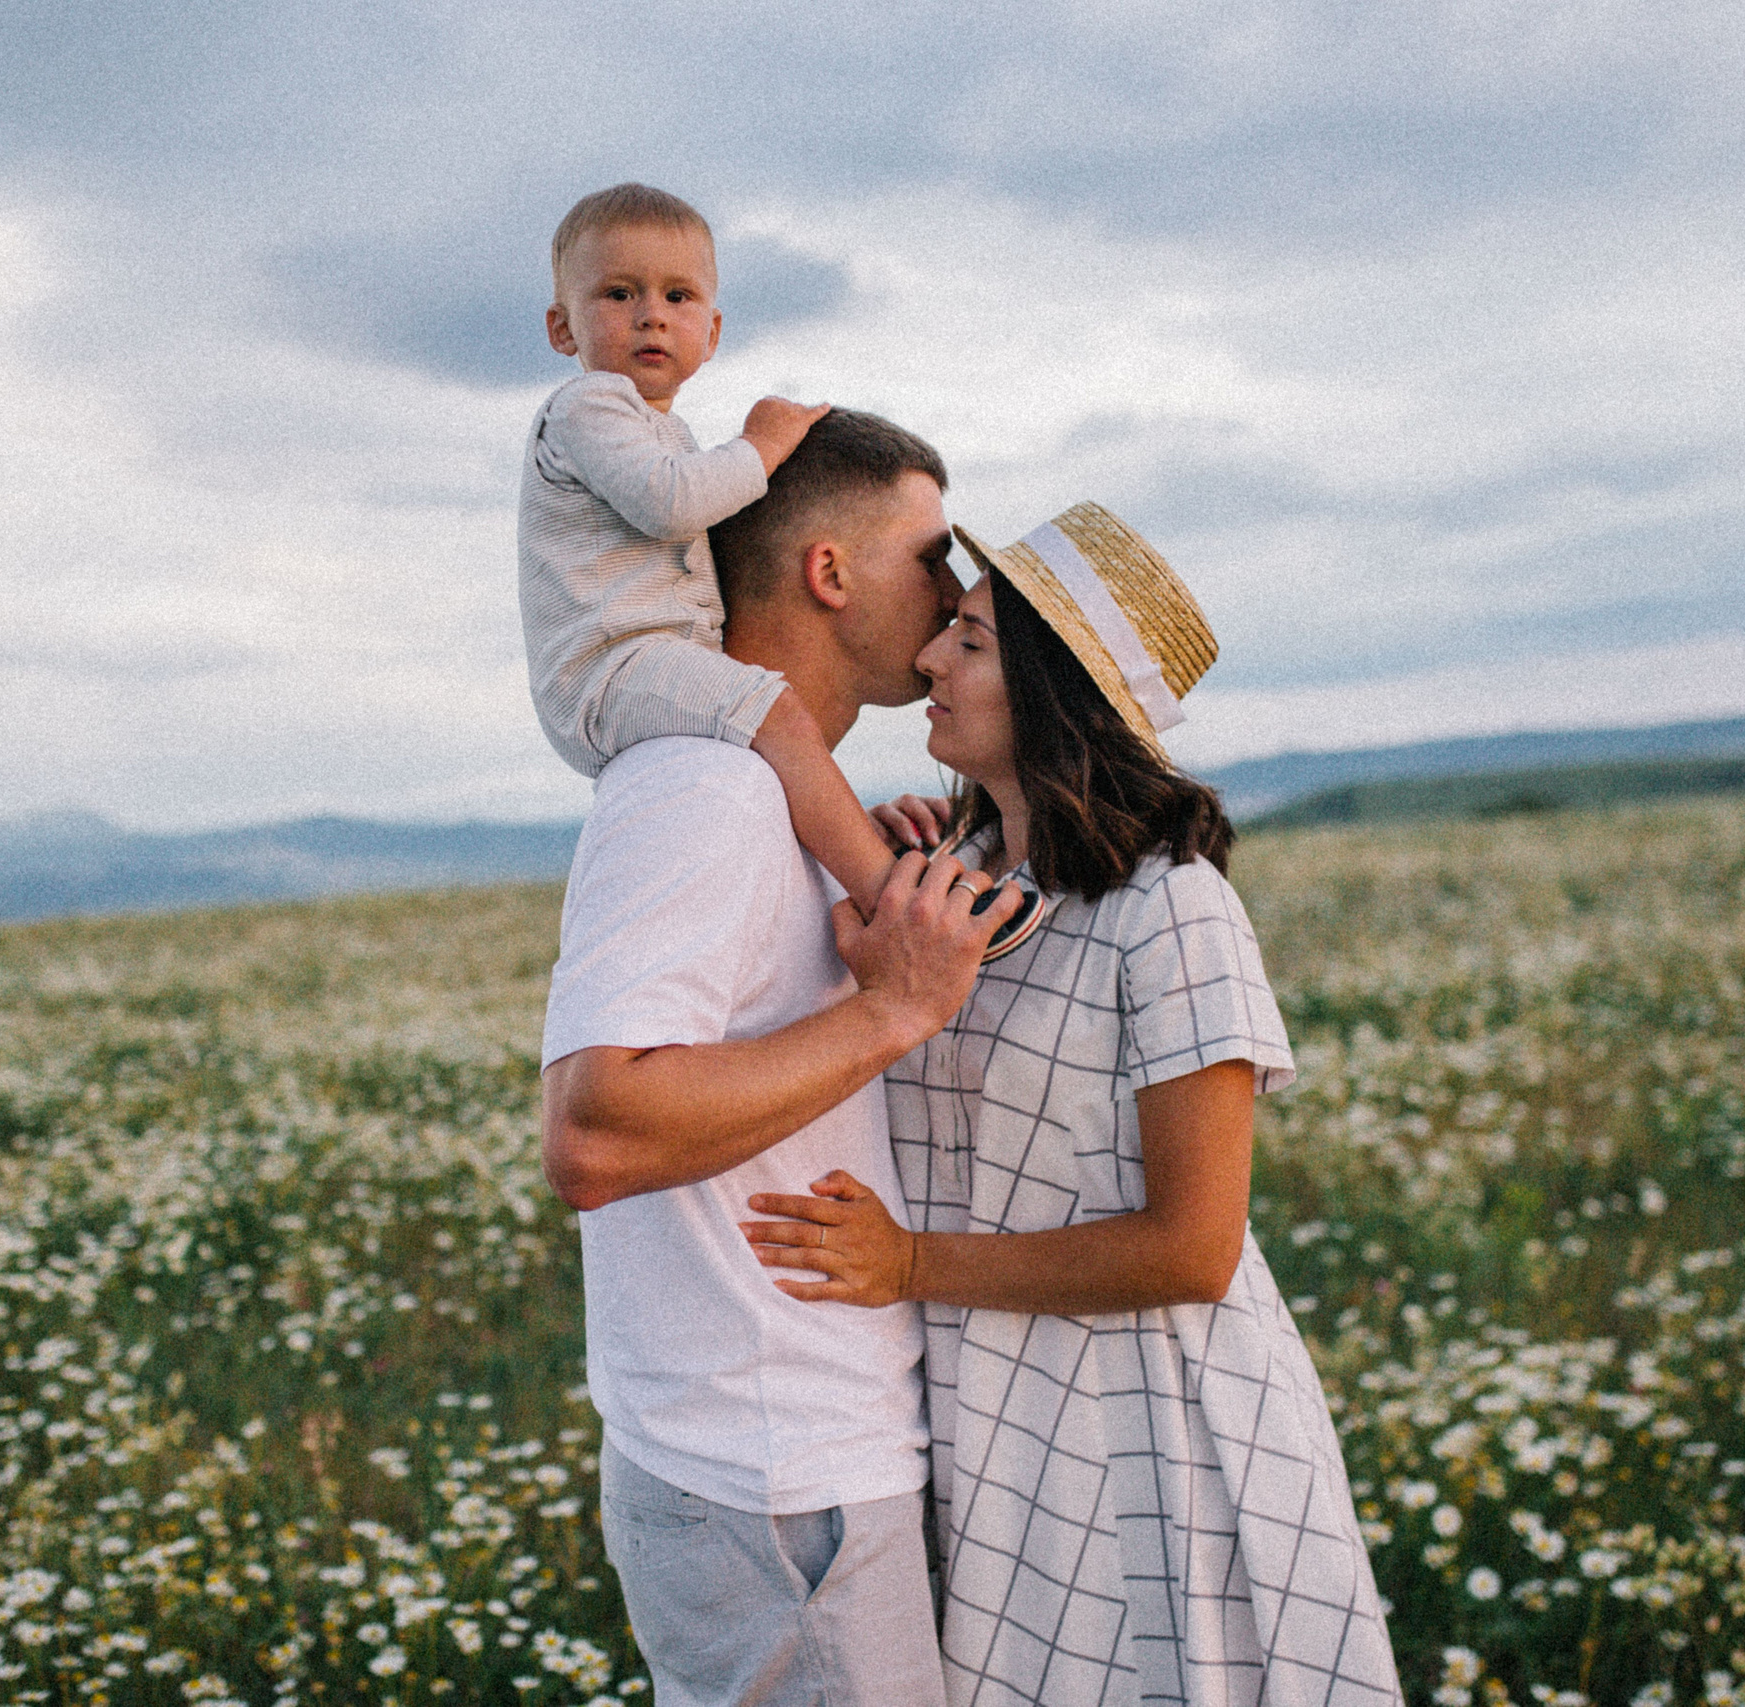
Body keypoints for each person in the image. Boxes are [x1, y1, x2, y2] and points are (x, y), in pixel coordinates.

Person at [740, 504, 1404, 1707]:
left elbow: (1194, 1249)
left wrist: (905, 1264)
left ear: (1059, 693)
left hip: (1148, 1423)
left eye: (976, 642)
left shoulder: (1172, 907)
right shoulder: (965, 881)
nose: (934, 652)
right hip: (986, 1411)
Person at [538, 410, 1023, 1706]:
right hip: (771, 1474)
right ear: (827, 571)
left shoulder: (772, 797)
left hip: (791, 1458)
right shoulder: (701, 785)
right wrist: (891, 1009)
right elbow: (592, 1132)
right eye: (929, 557)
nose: (953, 597)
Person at [521, 182, 903, 922]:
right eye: (618, 293)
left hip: (644, 658)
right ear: (561, 329)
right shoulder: (586, 407)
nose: (652, 314)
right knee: (780, 716)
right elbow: (671, 502)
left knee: (770, 741)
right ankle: (890, 897)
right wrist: (761, 444)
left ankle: (849, 851)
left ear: (713, 332)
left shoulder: (660, 429)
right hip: (608, 670)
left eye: (678, 296)